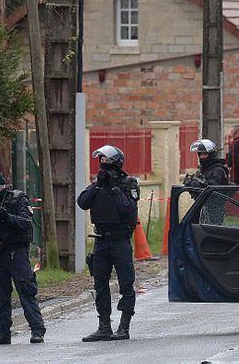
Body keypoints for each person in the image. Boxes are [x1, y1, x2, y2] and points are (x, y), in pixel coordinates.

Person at [0, 171, 45, 345]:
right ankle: (2, 333)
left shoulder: (17, 200)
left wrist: (8, 217)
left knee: (26, 291)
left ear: (2, 184)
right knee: (1, 294)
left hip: (16, 252)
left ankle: (37, 331)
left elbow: (25, 223)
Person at [77, 145, 140, 342]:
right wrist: (97, 185)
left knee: (126, 284)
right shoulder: (97, 185)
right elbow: (82, 203)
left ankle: (124, 326)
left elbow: (128, 210)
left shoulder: (128, 184)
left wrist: (114, 188)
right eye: (101, 160)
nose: (103, 164)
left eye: (107, 161)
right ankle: (104, 326)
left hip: (120, 241)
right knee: (100, 285)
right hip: (101, 242)